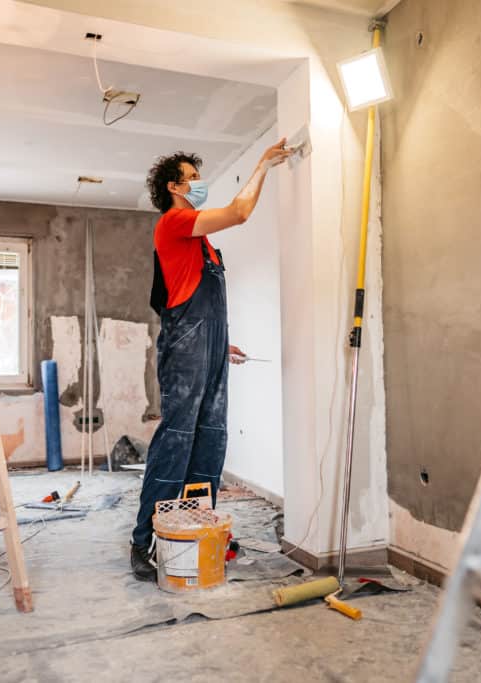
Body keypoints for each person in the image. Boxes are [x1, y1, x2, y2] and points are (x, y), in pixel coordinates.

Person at [131, 140, 292, 581]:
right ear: (174, 187)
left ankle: (198, 529)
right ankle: (145, 539)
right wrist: (263, 165)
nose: (199, 184)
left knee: (209, 440)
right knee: (177, 439)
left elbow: (199, 302)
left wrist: (222, 343)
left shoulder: (202, 244)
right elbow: (240, 212)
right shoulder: (175, 222)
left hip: (208, 347)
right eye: (193, 178)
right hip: (185, 350)